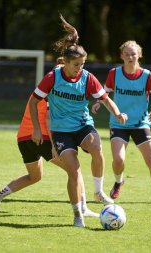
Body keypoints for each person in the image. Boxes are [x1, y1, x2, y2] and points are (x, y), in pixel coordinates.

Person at [29, 14, 128, 227]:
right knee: (73, 171)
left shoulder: (87, 78)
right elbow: (33, 102)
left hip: (83, 124)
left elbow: (105, 99)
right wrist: (37, 129)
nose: (79, 68)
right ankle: (77, 215)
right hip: (62, 131)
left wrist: (117, 113)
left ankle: (99, 191)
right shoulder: (52, 78)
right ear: (64, 62)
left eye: (82, 64)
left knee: (97, 147)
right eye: (76, 64)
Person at [0, 94, 99, 218]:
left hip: (23, 139)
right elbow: (48, 118)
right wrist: (53, 145)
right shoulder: (52, 93)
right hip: (42, 138)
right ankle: (83, 208)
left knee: (34, 176)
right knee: (74, 169)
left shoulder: (38, 92)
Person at [92, 40, 151, 205]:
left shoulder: (146, 75)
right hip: (118, 123)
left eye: (133, 54)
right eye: (127, 54)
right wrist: (98, 103)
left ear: (139, 55)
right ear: (121, 56)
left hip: (140, 124)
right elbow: (104, 93)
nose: (130, 57)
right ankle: (118, 181)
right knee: (119, 160)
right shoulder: (114, 73)